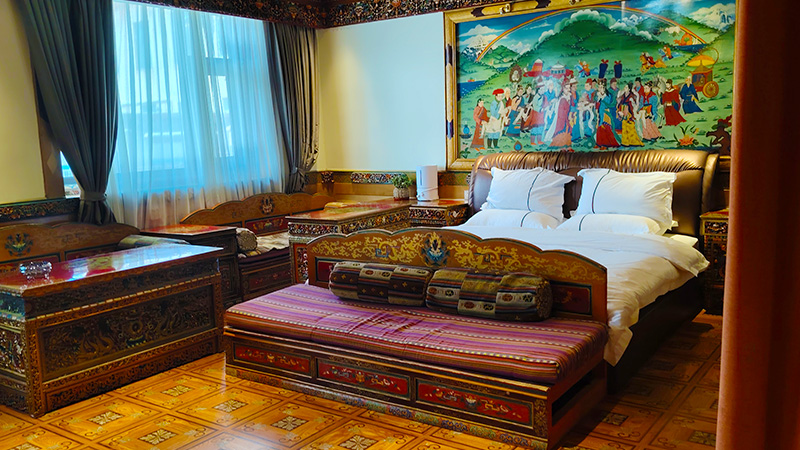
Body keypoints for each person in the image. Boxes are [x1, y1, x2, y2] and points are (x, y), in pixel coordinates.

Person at [594, 80, 620, 148]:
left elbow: (608, 104)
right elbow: (596, 104)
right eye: (599, 87)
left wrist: (601, 98)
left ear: (604, 88)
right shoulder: (597, 95)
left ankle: (605, 144)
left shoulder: (608, 95)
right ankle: (599, 143)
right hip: (600, 112)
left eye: (601, 87)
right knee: (599, 128)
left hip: (606, 112)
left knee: (605, 127)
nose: (599, 89)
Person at [617, 82, 643, 146]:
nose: (624, 88)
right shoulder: (623, 95)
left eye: (626, 87)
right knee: (624, 127)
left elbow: (633, 105)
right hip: (623, 112)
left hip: (629, 113)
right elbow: (620, 102)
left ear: (629, 89)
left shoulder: (631, 96)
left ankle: (634, 142)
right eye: (624, 87)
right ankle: (625, 142)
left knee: (630, 127)